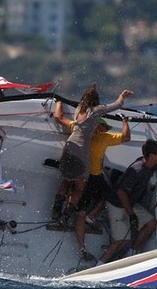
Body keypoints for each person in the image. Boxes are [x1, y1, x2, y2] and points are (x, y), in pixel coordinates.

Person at [52, 99, 131, 262]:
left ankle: (66, 214)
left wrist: (58, 101)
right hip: (90, 176)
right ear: (98, 125)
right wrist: (125, 120)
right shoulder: (104, 137)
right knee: (100, 201)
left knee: (73, 190)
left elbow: (58, 117)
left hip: (79, 170)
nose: (104, 129)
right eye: (103, 126)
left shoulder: (79, 128)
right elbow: (126, 137)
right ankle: (85, 217)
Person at [101, 139, 157, 261]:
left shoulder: (153, 162)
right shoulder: (136, 170)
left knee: (152, 224)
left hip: (131, 203)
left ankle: (132, 252)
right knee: (121, 241)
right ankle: (99, 265)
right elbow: (121, 192)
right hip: (117, 204)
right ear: (151, 156)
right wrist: (131, 215)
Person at [59, 83, 133, 222]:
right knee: (80, 188)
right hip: (81, 151)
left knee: (67, 181)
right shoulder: (95, 111)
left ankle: (56, 210)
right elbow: (116, 105)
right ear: (96, 100)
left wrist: (58, 100)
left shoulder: (79, 110)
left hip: (69, 146)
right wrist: (122, 96)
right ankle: (65, 216)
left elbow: (59, 117)